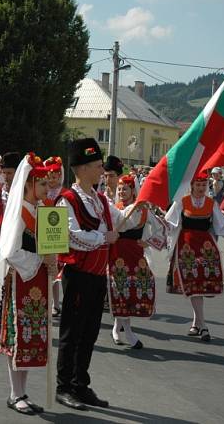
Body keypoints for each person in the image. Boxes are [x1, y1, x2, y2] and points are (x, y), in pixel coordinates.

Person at [54, 138, 135, 411]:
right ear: (84, 168)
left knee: (89, 333)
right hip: (78, 275)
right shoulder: (67, 200)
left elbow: (124, 218)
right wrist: (104, 237)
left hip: (98, 275)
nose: (102, 170)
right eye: (98, 166)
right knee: (72, 333)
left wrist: (142, 204)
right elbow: (73, 236)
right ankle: (63, 386)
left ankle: (80, 384)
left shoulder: (100, 200)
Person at [0, 153, 53, 415]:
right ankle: (15, 393)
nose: (47, 189)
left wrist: (53, 261)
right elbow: (10, 252)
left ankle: (22, 391)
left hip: (37, 279)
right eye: (42, 184)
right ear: (28, 184)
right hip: (21, 280)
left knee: (31, 338)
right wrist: (41, 258)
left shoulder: (42, 211)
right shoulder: (19, 213)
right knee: (19, 336)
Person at [165, 172, 224, 343]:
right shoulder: (182, 202)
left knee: (198, 286)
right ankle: (204, 326)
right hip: (186, 248)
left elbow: (221, 226)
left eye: (204, 185)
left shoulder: (211, 203)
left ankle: (196, 323)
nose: (201, 188)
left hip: (205, 248)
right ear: (192, 186)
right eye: (198, 185)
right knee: (193, 286)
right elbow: (169, 223)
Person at [108, 175, 168, 349]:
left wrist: (147, 241)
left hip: (135, 256)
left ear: (133, 191)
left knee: (135, 290)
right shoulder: (113, 209)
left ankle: (117, 328)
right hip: (117, 257)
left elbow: (161, 228)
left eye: (125, 188)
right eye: (119, 189)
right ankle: (127, 332)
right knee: (120, 290)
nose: (121, 192)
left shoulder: (142, 210)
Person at [43, 156, 65, 318]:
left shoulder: (65, 193)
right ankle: (44, 301)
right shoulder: (42, 191)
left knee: (56, 271)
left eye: (56, 176)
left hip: (59, 236)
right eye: (49, 176)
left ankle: (56, 304)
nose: (52, 179)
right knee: (43, 270)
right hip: (42, 235)